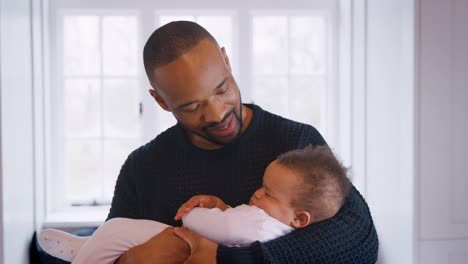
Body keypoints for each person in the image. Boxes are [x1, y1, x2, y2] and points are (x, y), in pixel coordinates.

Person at [104, 20, 378, 263]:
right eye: (191, 106)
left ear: (226, 60)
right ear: (161, 101)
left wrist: (228, 260)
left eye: (222, 89)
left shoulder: (295, 142)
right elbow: (100, 247)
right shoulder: (142, 168)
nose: (218, 113)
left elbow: (360, 241)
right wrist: (130, 260)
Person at [39, 146, 352, 264]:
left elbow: (215, 227)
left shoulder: (260, 222)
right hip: (180, 250)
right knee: (118, 233)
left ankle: (87, 254)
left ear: (300, 218)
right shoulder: (273, 223)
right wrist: (225, 208)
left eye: (268, 193)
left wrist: (198, 213)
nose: (256, 195)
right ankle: (89, 248)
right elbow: (235, 227)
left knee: (120, 229)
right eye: (261, 186)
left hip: (183, 246)